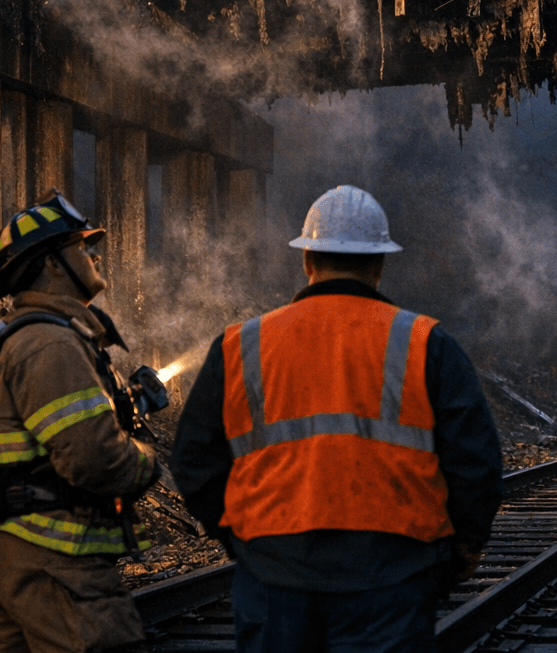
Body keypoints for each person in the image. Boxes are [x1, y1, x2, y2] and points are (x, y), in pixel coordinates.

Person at [171, 185, 503, 653]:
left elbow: (192, 461)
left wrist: (241, 540)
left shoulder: (242, 345)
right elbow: (476, 464)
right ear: (380, 264)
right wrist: (462, 548)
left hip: (274, 575)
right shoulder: (426, 344)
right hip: (392, 576)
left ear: (307, 260)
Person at [0, 193, 160, 653]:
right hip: (56, 565)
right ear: (52, 265)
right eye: (81, 246)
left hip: (10, 557)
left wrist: (131, 406)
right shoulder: (50, 345)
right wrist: (148, 461)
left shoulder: (24, 339)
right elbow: (97, 461)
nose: (94, 254)